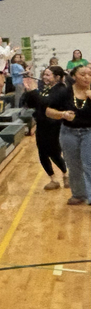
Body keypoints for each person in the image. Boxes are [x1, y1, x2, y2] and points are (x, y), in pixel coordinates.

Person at [46, 64, 91, 205]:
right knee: (73, 164)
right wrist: (62, 114)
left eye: (89, 74)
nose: (87, 77)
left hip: (89, 132)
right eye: (82, 74)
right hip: (68, 133)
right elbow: (48, 111)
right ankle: (78, 194)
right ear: (74, 76)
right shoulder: (65, 92)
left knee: (88, 164)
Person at [22, 67, 69, 191]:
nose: (44, 77)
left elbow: (46, 103)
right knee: (42, 152)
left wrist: (33, 92)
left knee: (54, 152)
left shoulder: (61, 89)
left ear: (57, 77)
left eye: (48, 75)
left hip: (54, 125)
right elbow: (32, 104)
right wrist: (28, 91)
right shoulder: (44, 88)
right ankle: (53, 179)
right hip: (41, 124)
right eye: (44, 75)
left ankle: (66, 174)